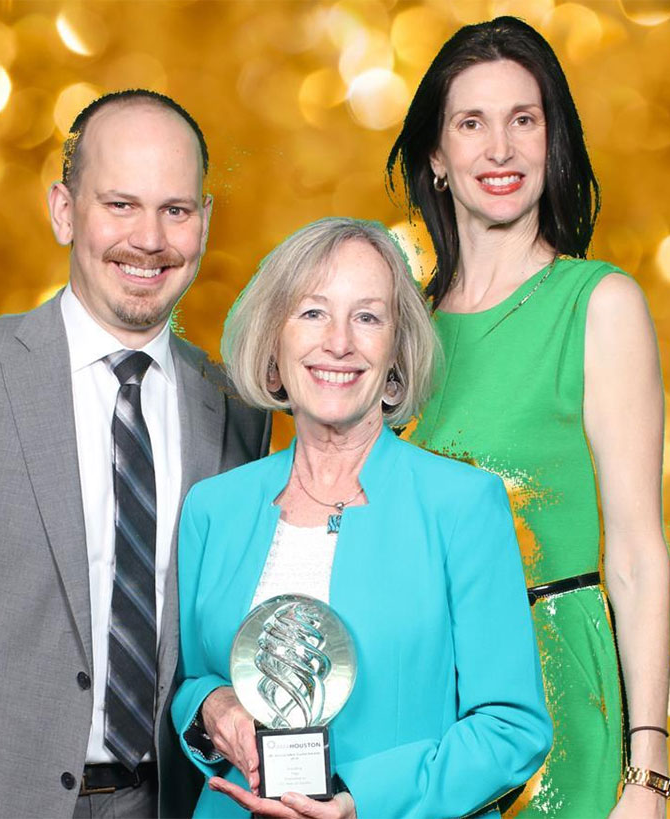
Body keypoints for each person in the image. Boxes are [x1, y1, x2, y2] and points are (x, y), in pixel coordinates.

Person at [0, 89, 271, 818]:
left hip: (157, 802)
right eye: (119, 205)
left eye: (176, 210)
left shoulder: (236, 410)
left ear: (204, 222)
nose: (149, 239)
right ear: (64, 210)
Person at [386, 16, 670, 819]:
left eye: (524, 119)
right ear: (437, 157)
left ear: (554, 142)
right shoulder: (396, 330)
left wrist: (646, 771)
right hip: (423, 718)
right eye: (471, 123)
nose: (500, 149)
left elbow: (638, 552)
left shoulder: (599, 305)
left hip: (559, 707)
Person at [169, 217, 550, 819]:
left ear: (396, 357)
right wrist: (214, 707)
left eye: (368, 317)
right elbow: (192, 680)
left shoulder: (463, 505)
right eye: (313, 313)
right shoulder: (213, 508)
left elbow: (511, 727)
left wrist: (363, 801)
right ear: (274, 345)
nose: (339, 343)